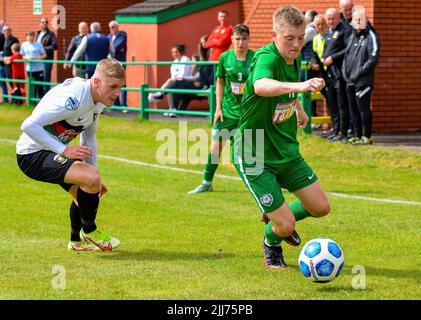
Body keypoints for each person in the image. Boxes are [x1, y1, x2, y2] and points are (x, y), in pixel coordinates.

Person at [233, 5, 330, 269]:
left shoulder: (293, 56)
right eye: (289, 38)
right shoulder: (268, 58)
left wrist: (297, 106)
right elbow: (261, 85)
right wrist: (300, 86)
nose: (297, 44)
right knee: (285, 224)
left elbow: (284, 90)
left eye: (300, 38)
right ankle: (271, 241)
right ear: (274, 33)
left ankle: (276, 216)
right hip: (253, 152)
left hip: (285, 150)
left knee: (321, 207)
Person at [16, 58, 125, 252]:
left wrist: (95, 177)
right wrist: (64, 150)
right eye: (113, 86)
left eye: (121, 87)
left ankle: (76, 241)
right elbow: (28, 125)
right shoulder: (73, 99)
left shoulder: (97, 102)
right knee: (91, 180)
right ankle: (90, 231)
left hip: (49, 151)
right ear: (97, 82)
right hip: (31, 155)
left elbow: (89, 140)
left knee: (92, 188)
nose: (118, 93)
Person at [188, 24, 255, 194]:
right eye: (237, 39)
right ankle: (206, 182)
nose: (241, 42)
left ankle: (257, 185)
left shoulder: (256, 58)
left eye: (244, 39)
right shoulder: (225, 57)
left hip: (247, 112)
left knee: (245, 152)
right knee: (216, 148)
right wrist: (218, 107)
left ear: (248, 40)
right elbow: (220, 82)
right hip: (226, 111)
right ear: (232, 39)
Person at [342, 5, 379, 145]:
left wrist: (359, 72)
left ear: (365, 20)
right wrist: (346, 74)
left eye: (360, 19)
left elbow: (373, 58)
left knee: (363, 108)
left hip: (363, 80)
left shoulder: (371, 36)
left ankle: (366, 136)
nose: (357, 22)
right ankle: (357, 135)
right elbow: (346, 56)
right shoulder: (352, 36)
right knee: (354, 109)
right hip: (350, 80)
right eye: (355, 19)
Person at [320, 8, 350, 142]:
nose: (330, 21)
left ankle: (342, 132)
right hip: (329, 74)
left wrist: (333, 58)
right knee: (332, 103)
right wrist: (323, 58)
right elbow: (325, 49)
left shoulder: (345, 30)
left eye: (333, 18)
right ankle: (335, 129)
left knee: (341, 104)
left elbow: (347, 49)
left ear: (338, 18)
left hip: (340, 72)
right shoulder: (327, 33)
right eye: (328, 19)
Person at [148, 44, 192, 117]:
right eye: (173, 52)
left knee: (170, 83)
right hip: (177, 82)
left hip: (186, 82)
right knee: (170, 86)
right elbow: (173, 75)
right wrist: (175, 78)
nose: (175, 54)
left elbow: (184, 75)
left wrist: (176, 77)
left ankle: (159, 95)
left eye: (176, 52)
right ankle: (172, 109)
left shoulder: (185, 59)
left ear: (180, 52)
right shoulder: (174, 62)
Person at [20, 30, 47, 100]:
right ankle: (33, 104)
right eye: (29, 36)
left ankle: (41, 103)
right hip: (30, 69)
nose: (30, 38)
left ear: (34, 37)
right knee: (32, 86)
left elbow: (44, 55)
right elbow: (22, 56)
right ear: (26, 37)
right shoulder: (24, 45)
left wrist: (37, 58)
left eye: (32, 36)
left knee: (40, 86)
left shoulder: (38, 44)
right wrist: (27, 57)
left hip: (39, 68)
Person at [108, 20, 128, 108]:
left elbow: (116, 47)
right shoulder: (109, 36)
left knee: (122, 83)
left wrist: (113, 49)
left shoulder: (122, 34)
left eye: (113, 27)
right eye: (110, 27)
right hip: (111, 64)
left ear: (117, 27)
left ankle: (123, 106)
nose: (111, 29)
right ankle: (116, 105)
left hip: (120, 63)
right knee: (113, 83)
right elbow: (109, 48)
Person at [37, 17, 58, 93]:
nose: (44, 23)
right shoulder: (38, 33)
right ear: (40, 24)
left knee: (46, 78)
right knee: (38, 79)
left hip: (47, 60)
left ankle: (46, 97)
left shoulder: (51, 34)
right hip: (38, 60)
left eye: (46, 22)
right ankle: (39, 98)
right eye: (42, 22)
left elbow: (54, 46)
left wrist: (42, 49)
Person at [2, 25, 19, 102]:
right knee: (9, 81)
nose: (6, 32)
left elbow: (16, 52)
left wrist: (9, 58)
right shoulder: (4, 39)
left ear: (10, 31)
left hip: (12, 64)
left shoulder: (13, 39)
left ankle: (16, 99)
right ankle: (13, 99)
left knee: (13, 82)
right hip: (6, 63)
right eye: (5, 30)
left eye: (8, 30)